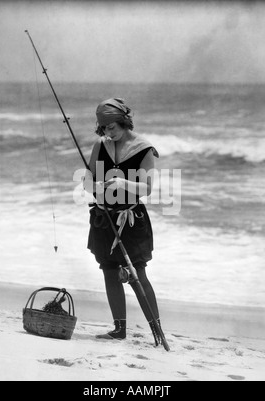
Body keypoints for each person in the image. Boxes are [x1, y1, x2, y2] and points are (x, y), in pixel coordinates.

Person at [84, 98, 162, 346]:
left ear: (124, 122)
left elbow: (148, 188)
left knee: (136, 273)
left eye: (112, 127)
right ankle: (119, 329)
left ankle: (156, 331)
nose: (109, 133)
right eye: (104, 128)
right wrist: (95, 187)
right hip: (103, 217)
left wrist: (122, 183)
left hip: (131, 219)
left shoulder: (144, 148)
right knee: (108, 270)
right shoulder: (101, 145)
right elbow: (87, 181)